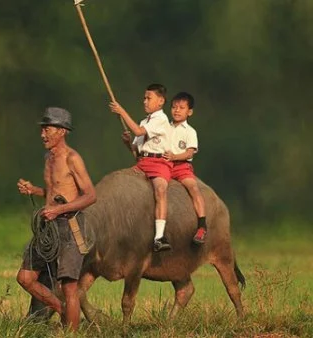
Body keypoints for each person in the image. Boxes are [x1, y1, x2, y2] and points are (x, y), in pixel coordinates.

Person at [16, 107, 96, 331]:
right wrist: (34, 190)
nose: (42, 134)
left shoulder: (73, 158)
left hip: (70, 226)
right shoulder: (48, 157)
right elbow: (56, 192)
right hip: (48, 227)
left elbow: (90, 195)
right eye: (42, 129)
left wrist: (59, 211)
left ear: (62, 131)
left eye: (47, 129)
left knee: (70, 287)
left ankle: (70, 333)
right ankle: (60, 308)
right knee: (25, 277)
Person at [109, 83, 173, 252]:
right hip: (142, 163)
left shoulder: (161, 119)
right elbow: (136, 153)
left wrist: (121, 111)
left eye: (148, 98)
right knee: (120, 182)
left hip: (159, 164)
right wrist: (127, 143)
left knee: (160, 189)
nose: (144, 101)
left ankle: (159, 236)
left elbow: (138, 131)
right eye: (144, 98)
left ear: (160, 101)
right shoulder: (145, 121)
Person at [163, 92, 207, 244]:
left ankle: (202, 226)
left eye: (181, 107)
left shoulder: (190, 131)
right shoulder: (164, 128)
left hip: (181, 166)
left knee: (193, 188)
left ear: (189, 112)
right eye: (174, 107)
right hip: (164, 165)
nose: (176, 110)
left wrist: (174, 157)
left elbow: (189, 152)